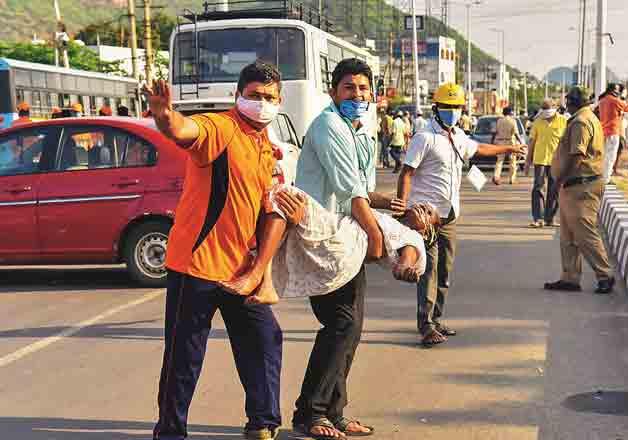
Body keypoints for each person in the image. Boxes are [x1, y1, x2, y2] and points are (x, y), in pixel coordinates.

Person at [143, 61, 305, 440]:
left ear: (280, 102)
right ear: (238, 96)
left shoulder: (267, 148)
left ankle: (263, 423)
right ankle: (169, 432)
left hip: (241, 270)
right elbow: (186, 130)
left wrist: (260, 270)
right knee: (185, 355)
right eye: (254, 96)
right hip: (196, 266)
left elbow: (271, 210)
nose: (261, 103)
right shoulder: (223, 128)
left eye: (269, 98)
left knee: (265, 339)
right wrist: (165, 115)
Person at [288, 58, 405, 440]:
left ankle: (333, 412)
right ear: (334, 91)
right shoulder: (328, 126)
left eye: (363, 89)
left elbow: (363, 191)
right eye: (349, 88)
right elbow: (349, 191)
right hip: (322, 237)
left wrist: (389, 204)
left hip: (346, 234)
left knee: (350, 327)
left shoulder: (361, 130)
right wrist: (376, 237)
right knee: (339, 323)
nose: (357, 95)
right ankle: (311, 413)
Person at [397, 83, 526, 347]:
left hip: (450, 215)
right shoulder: (425, 138)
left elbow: (479, 149)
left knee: (445, 270)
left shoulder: (457, 136)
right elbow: (407, 172)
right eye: (447, 107)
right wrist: (403, 205)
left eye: (456, 108)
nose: (452, 112)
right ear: (436, 108)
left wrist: (508, 150)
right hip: (426, 216)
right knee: (429, 270)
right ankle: (426, 324)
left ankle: (437, 317)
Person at [221, 186, 440, 305]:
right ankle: (264, 281)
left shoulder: (414, 238)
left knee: (285, 196)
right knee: (281, 225)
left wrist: (405, 269)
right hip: (342, 255)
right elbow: (357, 194)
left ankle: (259, 275)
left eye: (429, 213)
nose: (422, 207)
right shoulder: (392, 222)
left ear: (427, 231)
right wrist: (385, 201)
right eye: (423, 204)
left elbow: (405, 260)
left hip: (344, 242)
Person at [544, 86, 615, 295]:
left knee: (584, 233)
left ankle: (605, 274)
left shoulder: (581, 122)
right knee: (568, 235)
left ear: (572, 101)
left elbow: (577, 156)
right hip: (574, 185)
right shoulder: (583, 118)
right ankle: (570, 278)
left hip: (581, 184)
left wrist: (560, 180)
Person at [524, 99, 566, 228]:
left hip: (556, 160)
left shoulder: (563, 121)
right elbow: (531, 142)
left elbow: (566, 142)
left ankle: (550, 218)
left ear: (555, 108)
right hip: (540, 160)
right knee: (538, 187)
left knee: (555, 189)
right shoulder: (538, 121)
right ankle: (538, 218)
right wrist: (527, 161)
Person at [598, 83, 628, 183]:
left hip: (603, 130)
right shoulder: (614, 100)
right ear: (614, 90)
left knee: (604, 155)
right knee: (611, 156)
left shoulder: (602, 100)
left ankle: (602, 176)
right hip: (613, 131)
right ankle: (606, 178)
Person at [492, 106, 523, 185]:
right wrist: (521, 142)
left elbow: (495, 132)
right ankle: (512, 179)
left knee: (499, 161)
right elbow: (516, 133)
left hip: (500, 142)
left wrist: (492, 141)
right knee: (512, 161)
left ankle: (496, 177)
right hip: (510, 142)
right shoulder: (513, 121)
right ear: (510, 113)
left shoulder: (499, 121)